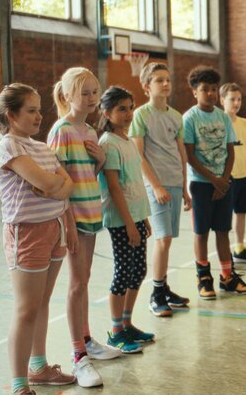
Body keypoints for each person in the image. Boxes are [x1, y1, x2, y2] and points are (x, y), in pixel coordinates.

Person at [0, 84, 81, 394]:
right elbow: (47, 180)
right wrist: (54, 185)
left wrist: (56, 191)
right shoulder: (8, 147)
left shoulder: (41, 147)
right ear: (11, 115)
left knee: (42, 301)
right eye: (30, 110)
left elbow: (67, 187)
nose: (38, 115)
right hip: (26, 233)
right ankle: (19, 384)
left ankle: (39, 367)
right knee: (26, 308)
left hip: (54, 228)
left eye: (39, 109)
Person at [47, 68, 121, 372]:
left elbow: (87, 176)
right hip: (73, 219)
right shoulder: (61, 131)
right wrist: (69, 225)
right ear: (67, 96)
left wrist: (100, 161)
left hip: (92, 214)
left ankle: (87, 338)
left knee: (85, 280)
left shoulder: (90, 132)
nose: (92, 98)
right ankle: (78, 353)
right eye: (85, 93)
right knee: (77, 284)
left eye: (95, 91)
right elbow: (57, 183)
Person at [183, 66, 246, 298]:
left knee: (223, 230)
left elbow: (230, 150)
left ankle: (227, 276)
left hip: (224, 181)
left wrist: (224, 179)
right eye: (205, 90)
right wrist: (213, 180)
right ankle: (203, 277)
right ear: (195, 92)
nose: (211, 94)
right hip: (201, 184)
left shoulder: (223, 117)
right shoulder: (190, 118)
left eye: (214, 89)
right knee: (201, 232)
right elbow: (190, 156)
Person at [129, 63, 191, 318]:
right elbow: (138, 155)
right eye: (159, 80)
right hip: (157, 186)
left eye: (168, 80)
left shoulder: (176, 116)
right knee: (162, 239)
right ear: (147, 86)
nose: (165, 84)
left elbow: (181, 152)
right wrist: (155, 186)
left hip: (175, 182)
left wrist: (185, 188)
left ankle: (164, 287)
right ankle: (156, 294)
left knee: (168, 239)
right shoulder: (141, 115)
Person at [97, 86, 154, 353]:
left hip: (136, 217)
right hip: (121, 220)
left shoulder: (127, 141)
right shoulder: (108, 144)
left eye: (131, 107)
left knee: (138, 271)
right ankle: (116, 331)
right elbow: (114, 187)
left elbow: (134, 183)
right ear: (107, 113)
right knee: (123, 273)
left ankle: (128, 323)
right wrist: (130, 222)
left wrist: (143, 218)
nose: (129, 113)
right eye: (122, 108)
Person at [219, 82, 246, 265]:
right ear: (222, 101)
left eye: (238, 99)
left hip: (244, 176)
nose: (236, 103)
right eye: (232, 99)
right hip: (228, 178)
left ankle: (239, 248)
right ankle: (225, 252)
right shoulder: (219, 122)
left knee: (241, 213)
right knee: (225, 217)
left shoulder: (244, 122)